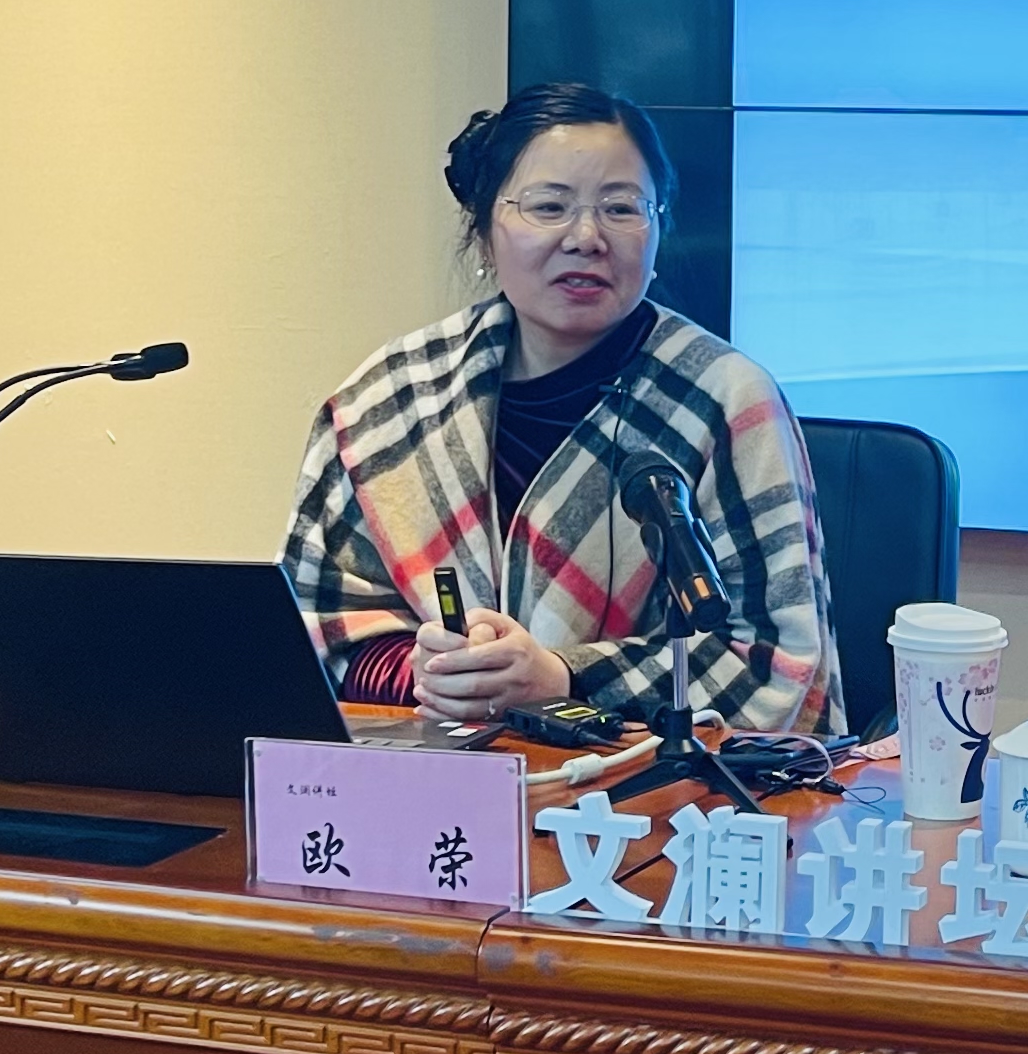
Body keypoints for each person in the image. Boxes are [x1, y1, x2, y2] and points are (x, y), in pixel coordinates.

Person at [283, 82, 838, 734]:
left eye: (621, 208)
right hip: (434, 773)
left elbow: (775, 665)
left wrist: (563, 679)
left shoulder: (727, 399)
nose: (586, 237)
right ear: (485, 234)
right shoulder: (389, 399)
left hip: (649, 783)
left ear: (658, 231)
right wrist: (437, 675)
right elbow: (312, 631)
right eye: (549, 206)